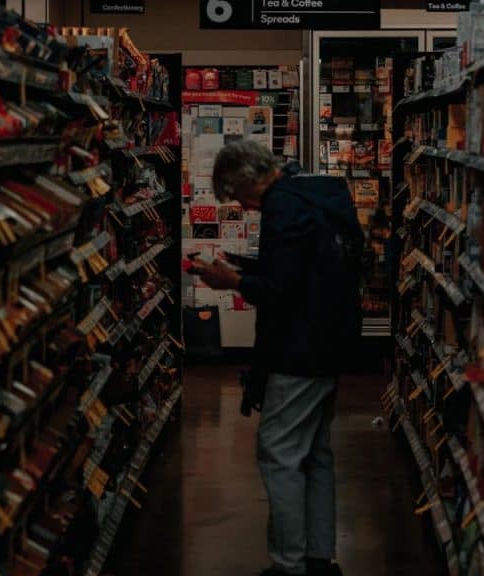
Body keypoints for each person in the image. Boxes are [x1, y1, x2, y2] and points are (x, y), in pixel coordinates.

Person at [198, 139, 362, 576]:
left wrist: (232, 281)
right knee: (316, 453)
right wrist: (242, 265)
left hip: (298, 349)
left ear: (249, 180)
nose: (242, 206)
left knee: (278, 453)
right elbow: (301, 268)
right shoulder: (314, 191)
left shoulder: (282, 207)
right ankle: (319, 558)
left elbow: (279, 291)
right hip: (331, 342)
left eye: (237, 195)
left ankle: (289, 565)